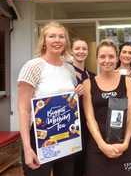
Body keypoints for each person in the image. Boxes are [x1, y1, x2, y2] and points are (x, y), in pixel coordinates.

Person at [17, 21, 84, 176]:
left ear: (66, 41)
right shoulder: (33, 66)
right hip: (39, 138)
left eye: (61, 36)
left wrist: (77, 92)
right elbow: (23, 110)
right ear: (44, 40)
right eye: (52, 36)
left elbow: (69, 98)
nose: (57, 40)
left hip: (66, 137)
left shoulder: (69, 68)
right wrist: (27, 148)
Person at [83, 39, 131, 176]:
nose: (107, 60)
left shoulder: (128, 81)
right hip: (97, 144)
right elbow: (90, 118)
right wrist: (102, 145)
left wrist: (125, 143)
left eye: (111, 56)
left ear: (117, 58)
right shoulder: (88, 83)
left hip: (122, 143)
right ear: (96, 58)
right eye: (102, 56)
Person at [70, 38, 95, 176]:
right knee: (72, 165)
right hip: (71, 127)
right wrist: (71, 94)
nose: (81, 51)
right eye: (77, 48)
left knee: (86, 163)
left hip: (88, 126)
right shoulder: (65, 74)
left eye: (84, 48)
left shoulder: (92, 76)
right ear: (71, 51)